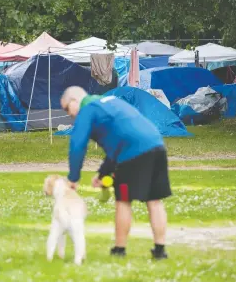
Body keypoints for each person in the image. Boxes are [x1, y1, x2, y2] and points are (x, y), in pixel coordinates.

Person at [60, 86, 172, 260]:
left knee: (123, 200)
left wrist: (73, 177)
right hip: (156, 145)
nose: (69, 114)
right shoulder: (111, 101)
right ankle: (160, 251)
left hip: (132, 154)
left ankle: (119, 250)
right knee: (154, 200)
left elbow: (77, 144)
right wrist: (103, 172)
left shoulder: (87, 109)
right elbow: (120, 138)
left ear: (75, 101)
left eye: (67, 109)